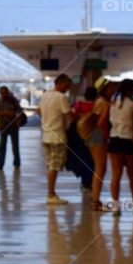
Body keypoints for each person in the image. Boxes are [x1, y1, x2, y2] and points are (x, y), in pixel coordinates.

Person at [107, 78, 133, 216]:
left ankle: (115, 206)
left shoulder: (113, 104)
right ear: (130, 90)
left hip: (114, 139)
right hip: (128, 140)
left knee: (116, 174)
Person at [38, 73, 74, 205]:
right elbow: (70, 118)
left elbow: (40, 112)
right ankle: (51, 194)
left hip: (46, 136)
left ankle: (51, 193)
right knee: (54, 166)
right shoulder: (61, 97)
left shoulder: (45, 95)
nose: (68, 88)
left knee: (50, 166)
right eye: (67, 85)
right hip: (57, 137)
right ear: (61, 84)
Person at [89, 77, 114, 211]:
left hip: (95, 137)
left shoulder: (99, 101)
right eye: (110, 88)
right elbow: (101, 123)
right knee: (100, 168)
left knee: (100, 168)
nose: (113, 90)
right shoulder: (104, 103)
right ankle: (95, 201)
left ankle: (95, 200)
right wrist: (106, 136)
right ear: (104, 90)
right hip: (99, 137)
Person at [0, 86, 23, 170]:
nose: (4, 95)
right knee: (2, 145)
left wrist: (17, 120)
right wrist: (6, 113)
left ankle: (17, 163)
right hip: (3, 126)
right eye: (2, 93)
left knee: (15, 146)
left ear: (8, 92)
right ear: (0, 93)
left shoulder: (13, 100)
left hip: (13, 125)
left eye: (5, 93)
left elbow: (20, 111)